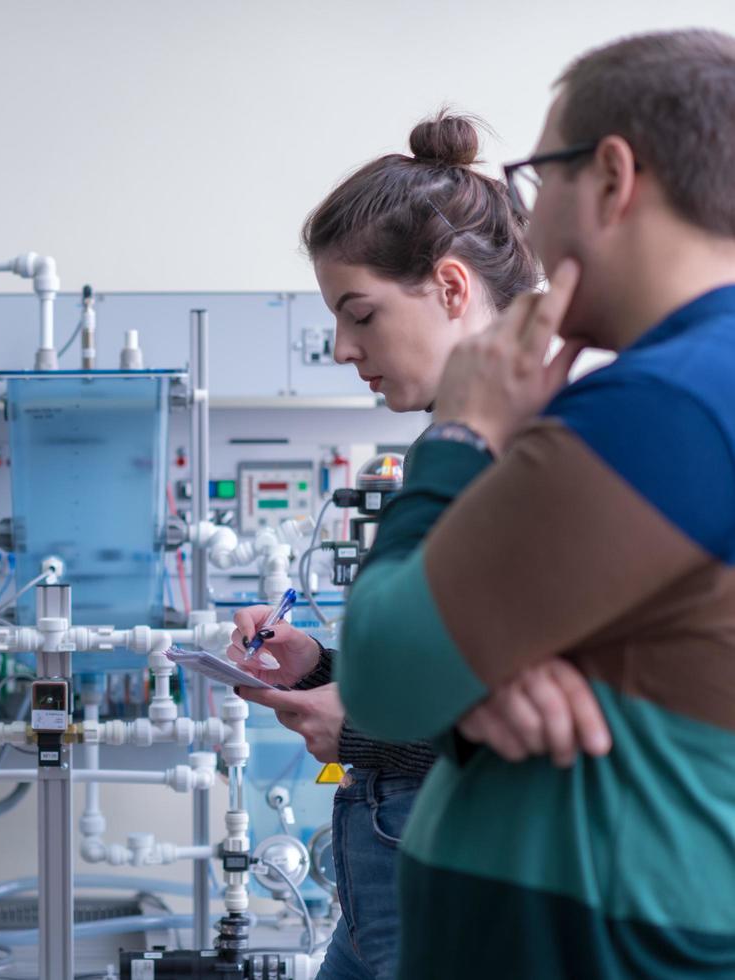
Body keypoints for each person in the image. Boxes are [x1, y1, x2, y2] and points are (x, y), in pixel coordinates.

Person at [334, 29, 735, 978]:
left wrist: (463, 435)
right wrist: (482, 667)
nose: (532, 227)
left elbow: (388, 669)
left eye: (538, 179)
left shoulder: (664, 406)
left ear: (610, 176)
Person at [226, 114, 610, 980]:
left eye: (359, 313)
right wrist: (323, 670)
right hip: (380, 887)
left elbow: (578, 718)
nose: (341, 347)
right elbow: (462, 661)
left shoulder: (557, 445)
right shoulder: (458, 446)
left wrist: (360, 730)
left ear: (448, 287)